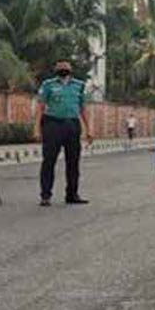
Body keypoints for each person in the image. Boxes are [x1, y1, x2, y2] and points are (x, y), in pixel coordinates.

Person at [34, 59, 94, 206]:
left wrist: (89, 129)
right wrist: (36, 128)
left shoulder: (79, 86)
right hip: (53, 124)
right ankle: (45, 195)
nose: (63, 68)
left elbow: (83, 108)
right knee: (49, 161)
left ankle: (72, 194)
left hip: (72, 125)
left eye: (66, 66)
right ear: (55, 69)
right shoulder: (48, 85)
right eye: (60, 66)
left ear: (71, 69)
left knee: (73, 162)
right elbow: (40, 107)